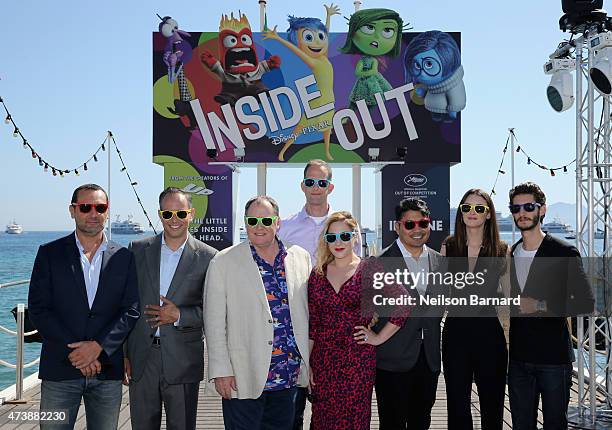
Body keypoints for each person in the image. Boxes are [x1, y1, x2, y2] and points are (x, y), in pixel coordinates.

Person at [28, 184, 140, 430]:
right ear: (73, 210)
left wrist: (98, 347)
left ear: (107, 212)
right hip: (60, 367)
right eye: (85, 207)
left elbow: (131, 309)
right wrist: (80, 353)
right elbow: (39, 308)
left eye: (100, 207)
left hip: (107, 370)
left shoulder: (124, 257)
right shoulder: (49, 253)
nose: (93, 213)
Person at [204, 196, 311, 430]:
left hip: (288, 375)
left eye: (265, 219)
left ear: (278, 222)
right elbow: (213, 323)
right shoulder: (223, 262)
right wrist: (221, 370)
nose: (259, 226)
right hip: (243, 376)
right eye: (252, 220)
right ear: (245, 223)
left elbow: (311, 310)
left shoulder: (301, 258)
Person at [124, 187, 217, 430]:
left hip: (183, 360)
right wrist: (123, 353)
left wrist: (179, 315)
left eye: (180, 213)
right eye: (167, 214)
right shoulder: (137, 250)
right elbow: (126, 305)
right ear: (159, 214)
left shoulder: (209, 257)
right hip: (142, 358)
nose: (174, 219)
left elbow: (214, 311)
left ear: (191, 213)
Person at [277, 159, 360, 429]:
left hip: (338, 334)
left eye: (321, 182)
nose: (315, 187)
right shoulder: (285, 228)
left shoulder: (344, 227)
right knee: (293, 408)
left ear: (330, 186)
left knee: (340, 412)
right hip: (295, 322)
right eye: (310, 182)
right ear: (302, 185)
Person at [507, 182, 594, 429]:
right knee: (522, 424)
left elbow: (585, 302)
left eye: (528, 206)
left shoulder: (564, 251)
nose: (522, 213)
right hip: (519, 360)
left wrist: (541, 304)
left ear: (542, 210)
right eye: (516, 208)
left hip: (553, 359)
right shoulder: (511, 253)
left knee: (555, 424)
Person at [308, 210, 406, 430]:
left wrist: (378, 337)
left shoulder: (370, 268)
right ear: (326, 241)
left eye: (345, 235)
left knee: (354, 422)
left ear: (355, 237)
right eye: (331, 237)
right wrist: (308, 365)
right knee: (322, 421)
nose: (338, 242)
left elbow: (404, 301)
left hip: (357, 361)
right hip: (323, 362)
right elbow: (312, 325)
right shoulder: (317, 274)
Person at [374, 198, 446, 430]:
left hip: (429, 360)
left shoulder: (440, 261)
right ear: (397, 226)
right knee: (391, 424)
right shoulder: (379, 263)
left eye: (423, 224)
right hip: (392, 360)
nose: (417, 230)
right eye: (409, 224)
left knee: (421, 422)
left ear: (429, 225)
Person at [441, 189, 509, 430]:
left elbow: (510, 298)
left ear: (488, 215)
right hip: (455, 333)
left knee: (492, 405)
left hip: (490, 334)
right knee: (457, 406)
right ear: (460, 213)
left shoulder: (501, 250)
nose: (472, 213)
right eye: (466, 208)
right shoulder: (449, 247)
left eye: (479, 208)